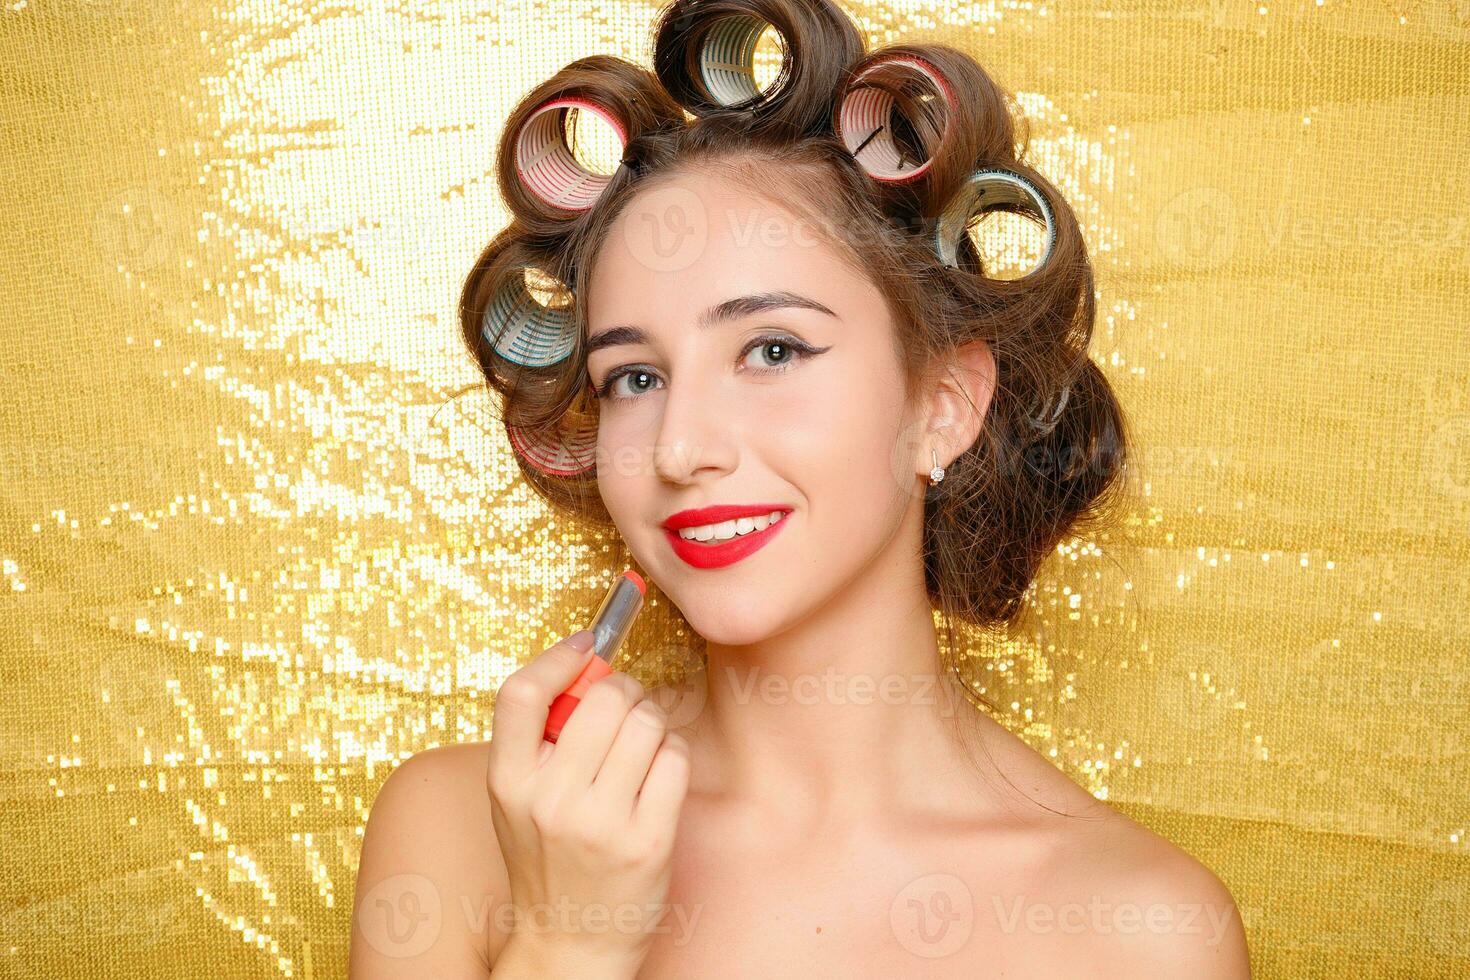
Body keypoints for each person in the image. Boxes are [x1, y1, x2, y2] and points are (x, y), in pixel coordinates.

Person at [350, 1, 1252, 976]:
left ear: (942, 402)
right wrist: (570, 941)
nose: (680, 446)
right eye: (634, 378)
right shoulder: (460, 834)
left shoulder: (1139, 930)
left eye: (771, 349)